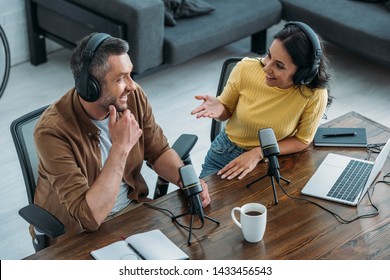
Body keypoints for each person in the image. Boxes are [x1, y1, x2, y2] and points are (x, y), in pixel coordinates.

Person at [33, 33, 211, 244]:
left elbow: (159, 151)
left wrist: (187, 182)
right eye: (120, 79)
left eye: (130, 75)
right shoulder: (52, 132)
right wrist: (120, 147)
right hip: (78, 232)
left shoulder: (132, 98)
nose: (132, 86)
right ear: (90, 87)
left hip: (132, 209)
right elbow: (89, 218)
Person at [191, 21, 332, 180]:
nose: (266, 67)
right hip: (225, 154)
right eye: (269, 55)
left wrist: (258, 152)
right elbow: (225, 113)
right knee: (203, 203)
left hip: (272, 159)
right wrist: (220, 108)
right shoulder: (246, 68)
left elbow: (302, 140)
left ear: (303, 74)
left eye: (279, 65)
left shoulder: (314, 94)